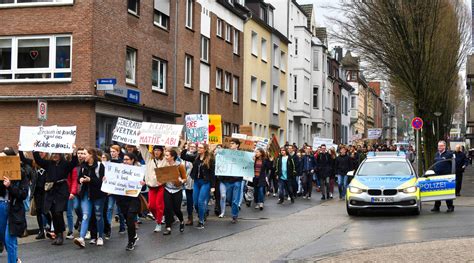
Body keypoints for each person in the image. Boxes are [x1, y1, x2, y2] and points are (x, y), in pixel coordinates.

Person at [33, 147, 78, 245]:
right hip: (51, 190)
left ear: (60, 155)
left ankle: (60, 235)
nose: (55, 156)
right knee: (53, 212)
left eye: (57, 154)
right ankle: (57, 233)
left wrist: (74, 152)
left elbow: (74, 163)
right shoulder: (48, 164)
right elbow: (38, 160)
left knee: (58, 212)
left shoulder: (65, 164)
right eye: (53, 154)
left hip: (62, 190)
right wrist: (35, 149)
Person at [0, 148, 30, 263]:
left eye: (3, 158)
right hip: (1, 207)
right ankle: (15, 259)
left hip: (14, 209)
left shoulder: (21, 173)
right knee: (3, 237)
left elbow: (23, 194)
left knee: (9, 239)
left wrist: (10, 186)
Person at [73, 148, 106, 248]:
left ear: (91, 155)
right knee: (85, 215)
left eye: (85, 154)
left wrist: (90, 180)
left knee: (99, 216)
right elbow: (79, 178)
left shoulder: (100, 166)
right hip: (86, 194)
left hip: (98, 195)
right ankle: (82, 238)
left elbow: (102, 181)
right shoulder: (83, 166)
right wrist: (81, 179)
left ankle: (100, 236)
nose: (83, 156)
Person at [114, 153, 145, 251]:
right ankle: (134, 236)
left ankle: (130, 241)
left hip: (133, 199)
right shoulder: (119, 170)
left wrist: (142, 184)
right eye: (124, 159)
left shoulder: (137, 171)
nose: (125, 161)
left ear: (132, 160)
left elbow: (143, 187)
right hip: (122, 199)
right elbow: (113, 181)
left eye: (127, 159)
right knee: (127, 220)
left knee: (131, 218)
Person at [180, 143, 215, 229]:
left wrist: (213, 186)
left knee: (200, 202)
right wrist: (186, 147)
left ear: (205, 149)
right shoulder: (195, 157)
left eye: (200, 148)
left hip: (205, 182)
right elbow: (183, 156)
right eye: (198, 147)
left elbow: (212, 173)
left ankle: (201, 221)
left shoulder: (210, 159)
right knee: (195, 203)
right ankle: (202, 213)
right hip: (196, 182)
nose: (198, 149)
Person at [18, 150, 51, 240]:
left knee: (46, 210)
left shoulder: (49, 163)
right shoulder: (34, 163)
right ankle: (41, 231)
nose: (41, 153)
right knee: (39, 210)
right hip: (37, 190)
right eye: (39, 152)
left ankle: (50, 226)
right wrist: (20, 148)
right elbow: (23, 159)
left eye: (42, 152)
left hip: (46, 190)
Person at [139, 145, 166, 233]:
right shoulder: (149, 159)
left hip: (160, 186)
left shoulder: (164, 160)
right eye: (155, 150)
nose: (156, 152)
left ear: (162, 151)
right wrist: (141, 137)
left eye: (158, 150)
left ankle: (158, 223)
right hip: (151, 187)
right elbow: (142, 148)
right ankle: (158, 218)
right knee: (151, 206)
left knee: (159, 205)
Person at [162, 149, 187, 235]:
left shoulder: (180, 166)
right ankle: (168, 227)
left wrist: (181, 181)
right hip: (167, 189)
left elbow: (185, 178)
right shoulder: (164, 165)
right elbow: (161, 176)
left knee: (176, 209)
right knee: (167, 208)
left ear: (172, 157)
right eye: (165, 155)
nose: (165, 157)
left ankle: (181, 221)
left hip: (177, 190)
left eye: (167, 155)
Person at [218, 139, 243, 223]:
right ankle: (234, 212)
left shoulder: (242, 155)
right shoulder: (226, 153)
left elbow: (247, 163)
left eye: (232, 143)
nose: (230, 145)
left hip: (237, 180)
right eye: (230, 143)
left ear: (237, 145)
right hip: (227, 180)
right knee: (229, 198)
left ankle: (234, 216)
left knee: (235, 200)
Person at [105, 145, 125, 237]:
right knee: (109, 208)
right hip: (110, 190)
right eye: (111, 151)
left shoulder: (122, 162)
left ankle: (122, 226)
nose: (112, 153)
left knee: (120, 209)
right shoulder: (108, 163)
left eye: (114, 151)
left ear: (118, 152)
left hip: (119, 189)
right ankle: (108, 228)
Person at [431, 141, 455, 213]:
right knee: (437, 191)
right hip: (437, 176)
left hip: (446, 176)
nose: (439, 147)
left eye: (441, 146)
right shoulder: (436, 154)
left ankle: (450, 207)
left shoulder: (449, 154)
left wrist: (452, 174)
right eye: (438, 146)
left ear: (444, 146)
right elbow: (434, 164)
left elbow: (453, 164)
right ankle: (437, 207)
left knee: (447, 192)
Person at [65, 148, 83, 240]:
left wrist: (72, 191)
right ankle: (69, 230)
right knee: (65, 211)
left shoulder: (73, 165)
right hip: (62, 191)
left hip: (72, 191)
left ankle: (73, 229)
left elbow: (74, 180)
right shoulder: (61, 163)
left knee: (74, 208)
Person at [182, 143, 196, 226]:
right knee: (189, 199)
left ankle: (203, 212)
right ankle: (190, 217)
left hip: (196, 180)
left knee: (198, 200)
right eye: (191, 146)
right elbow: (183, 156)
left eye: (194, 147)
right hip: (188, 180)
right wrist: (185, 148)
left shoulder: (197, 156)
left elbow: (189, 158)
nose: (192, 148)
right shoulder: (186, 156)